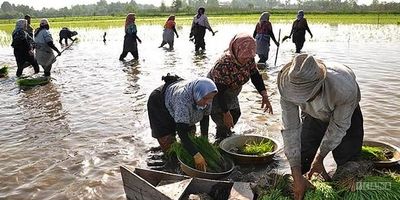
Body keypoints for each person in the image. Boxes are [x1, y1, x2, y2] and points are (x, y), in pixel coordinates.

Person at [277, 54, 363, 200]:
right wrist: (296, 174)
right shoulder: (288, 87)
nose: (300, 98)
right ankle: (302, 183)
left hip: (346, 114)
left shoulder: (343, 88)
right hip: (312, 115)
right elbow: (290, 128)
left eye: (305, 95)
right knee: (302, 157)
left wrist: (320, 157)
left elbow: (339, 126)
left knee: (348, 161)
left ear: (319, 85)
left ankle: (343, 189)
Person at [207, 33, 273, 141]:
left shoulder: (249, 58)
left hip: (231, 90)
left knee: (235, 113)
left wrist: (264, 95)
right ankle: (220, 140)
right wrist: (226, 113)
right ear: (235, 51)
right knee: (221, 118)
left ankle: (226, 136)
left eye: (249, 58)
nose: (247, 61)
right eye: (244, 58)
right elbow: (219, 92)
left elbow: (255, 75)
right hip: (215, 91)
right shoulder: (223, 64)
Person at [147, 75, 218, 171]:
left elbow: (205, 119)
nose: (208, 102)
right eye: (205, 99)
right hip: (160, 103)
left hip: (180, 102)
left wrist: (205, 140)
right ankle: (172, 164)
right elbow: (182, 132)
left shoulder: (207, 95)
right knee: (169, 145)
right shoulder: (183, 100)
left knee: (191, 136)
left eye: (210, 99)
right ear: (198, 94)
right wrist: (196, 155)